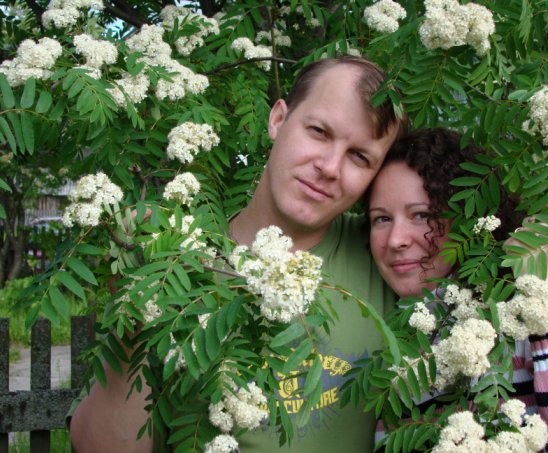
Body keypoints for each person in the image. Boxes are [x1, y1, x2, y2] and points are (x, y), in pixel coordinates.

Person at [69, 56, 403, 453]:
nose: (330, 167)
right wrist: (136, 312)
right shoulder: (173, 262)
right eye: (318, 132)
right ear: (278, 119)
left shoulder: (388, 254)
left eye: (360, 157)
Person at [367, 128, 548, 451]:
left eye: (422, 215)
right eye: (381, 219)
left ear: (470, 220)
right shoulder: (396, 350)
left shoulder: (519, 320)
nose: (396, 240)